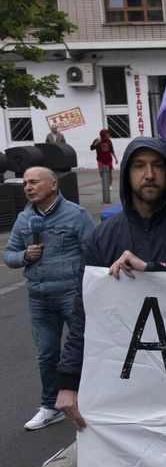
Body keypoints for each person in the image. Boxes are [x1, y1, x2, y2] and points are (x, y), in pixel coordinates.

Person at [56, 136, 166, 430]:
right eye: (139, 166)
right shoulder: (103, 236)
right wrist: (69, 382)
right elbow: (84, 313)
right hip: (127, 377)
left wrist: (152, 270)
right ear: (127, 175)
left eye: (158, 166)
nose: (149, 175)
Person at [4, 167, 95, 430]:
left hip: (72, 295)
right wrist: (24, 256)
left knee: (85, 350)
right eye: (25, 184)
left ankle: (91, 400)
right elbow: (8, 255)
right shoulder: (24, 220)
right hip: (39, 297)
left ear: (53, 184)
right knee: (46, 354)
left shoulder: (77, 215)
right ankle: (49, 406)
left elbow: (93, 253)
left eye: (34, 182)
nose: (28, 187)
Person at [90, 129, 115, 204]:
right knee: (101, 171)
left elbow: (112, 150)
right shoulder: (97, 140)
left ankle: (109, 185)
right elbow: (91, 148)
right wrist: (96, 143)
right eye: (107, 133)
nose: (108, 135)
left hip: (108, 159)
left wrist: (115, 158)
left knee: (110, 172)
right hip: (100, 159)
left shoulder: (109, 141)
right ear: (104, 134)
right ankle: (105, 181)